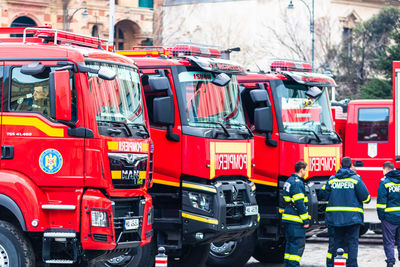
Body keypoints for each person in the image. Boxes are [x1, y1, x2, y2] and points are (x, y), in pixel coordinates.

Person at [320, 157, 370, 267]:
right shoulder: (356, 179)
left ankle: (337, 265)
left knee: (337, 243)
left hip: (335, 219)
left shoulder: (332, 179)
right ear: (351, 165)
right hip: (353, 219)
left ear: (340, 165)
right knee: (352, 244)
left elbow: (323, 195)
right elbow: (366, 198)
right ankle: (351, 265)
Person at [282, 161, 309, 267]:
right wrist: (305, 220)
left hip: (289, 217)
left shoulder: (289, 180)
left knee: (290, 244)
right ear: (301, 170)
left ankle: (288, 265)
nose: (306, 172)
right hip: (295, 219)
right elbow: (299, 203)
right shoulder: (297, 183)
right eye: (305, 169)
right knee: (297, 245)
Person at [377, 161, 400, 267]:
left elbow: (381, 201)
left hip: (389, 217)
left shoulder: (384, 182)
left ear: (385, 169)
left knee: (389, 241)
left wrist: (381, 217)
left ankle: (390, 261)